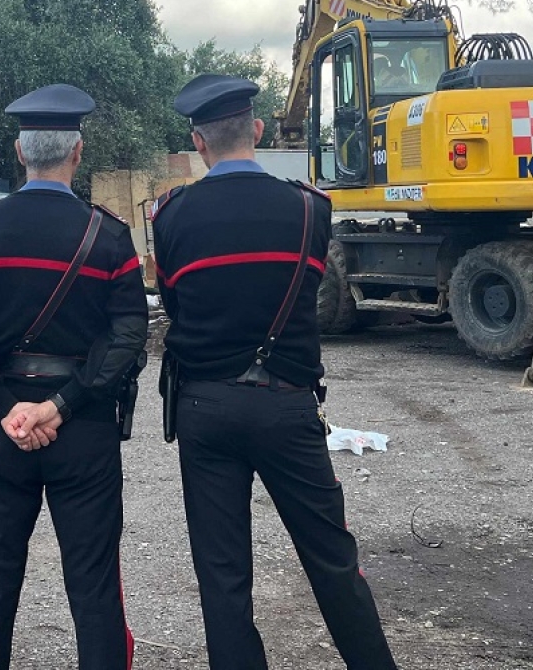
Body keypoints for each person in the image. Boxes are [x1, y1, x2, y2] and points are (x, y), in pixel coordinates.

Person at [152, 74, 398, 670]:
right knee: (332, 559)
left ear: (198, 142)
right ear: (258, 130)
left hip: (205, 406)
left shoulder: (171, 215)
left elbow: (175, 306)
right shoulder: (310, 207)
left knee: (222, 573)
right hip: (287, 402)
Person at [0, 84, 148, 670]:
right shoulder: (108, 236)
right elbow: (129, 334)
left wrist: (4, 405)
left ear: (19, 151)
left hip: (1, 430)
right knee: (95, 588)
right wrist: (62, 404)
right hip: (84, 430)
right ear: (77, 152)